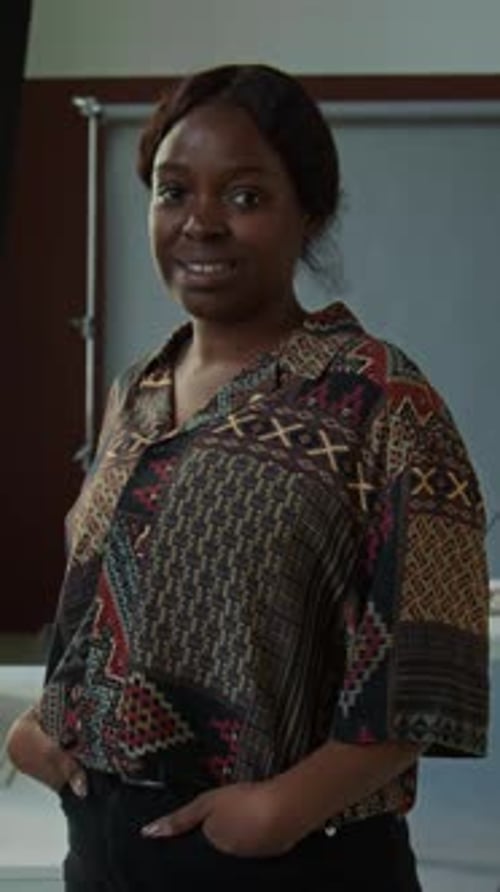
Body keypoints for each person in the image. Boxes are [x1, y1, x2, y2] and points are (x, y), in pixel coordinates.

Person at [7, 64, 490, 892]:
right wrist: (41, 725)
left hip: (290, 858)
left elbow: (432, 665)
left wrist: (283, 810)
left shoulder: (382, 398)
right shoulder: (139, 389)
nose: (201, 224)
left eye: (244, 197)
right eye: (172, 192)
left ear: (310, 211)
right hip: (102, 846)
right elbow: (108, 591)